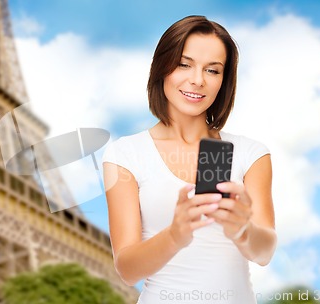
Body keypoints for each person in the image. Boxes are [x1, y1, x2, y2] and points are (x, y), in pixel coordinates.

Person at [102, 15, 277, 304]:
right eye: (184, 64)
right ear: (162, 67)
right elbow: (127, 270)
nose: (197, 80)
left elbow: (265, 253)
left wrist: (243, 230)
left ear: (224, 80)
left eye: (212, 70)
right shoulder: (125, 154)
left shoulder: (250, 153)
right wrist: (175, 235)